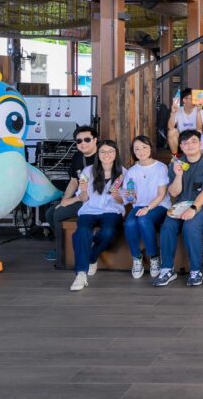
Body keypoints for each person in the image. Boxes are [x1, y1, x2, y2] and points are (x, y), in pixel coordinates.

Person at [152, 129, 203, 288]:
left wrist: (193, 208)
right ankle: (167, 269)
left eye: (193, 141)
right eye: (185, 143)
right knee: (167, 226)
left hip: (202, 204)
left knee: (191, 227)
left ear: (200, 143)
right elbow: (173, 192)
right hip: (180, 204)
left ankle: (196, 270)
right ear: (181, 146)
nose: (190, 145)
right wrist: (178, 175)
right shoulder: (176, 164)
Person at [69, 140, 125, 291]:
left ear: (116, 154)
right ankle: (81, 274)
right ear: (98, 154)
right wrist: (83, 190)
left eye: (110, 151)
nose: (106, 155)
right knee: (82, 232)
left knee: (108, 233)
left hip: (112, 210)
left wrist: (116, 195)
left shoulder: (123, 172)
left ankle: (92, 257)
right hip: (89, 210)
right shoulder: (88, 171)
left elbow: (124, 200)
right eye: (103, 152)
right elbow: (83, 198)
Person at [44, 125, 98, 268]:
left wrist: (71, 200)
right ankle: (62, 244)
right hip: (80, 197)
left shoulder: (102, 157)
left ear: (95, 140)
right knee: (50, 213)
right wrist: (65, 200)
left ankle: (62, 253)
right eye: (79, 141)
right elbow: (74, 181)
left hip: (94, 200)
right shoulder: (78, 156)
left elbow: (97, 190)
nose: (83, 143)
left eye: (87, 139)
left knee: (58, 214)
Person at [121, 135, 171, 280]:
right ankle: (136, 257)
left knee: (143, 220)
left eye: (144, 147)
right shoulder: (132, 171)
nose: (141, 151)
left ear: (151, 148)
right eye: (137, 149)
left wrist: (148, 208)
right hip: (140, 206)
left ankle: (154, 257)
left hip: (159, 205)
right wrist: (128, 196)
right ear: (133, 151)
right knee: (129, 223)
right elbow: (132, 199)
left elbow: (161, 195)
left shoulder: (161, 167)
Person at [167, 89, 203, 155]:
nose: (194, 101)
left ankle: (197, 155)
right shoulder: (178, 110)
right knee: (171, 132)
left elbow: (199, 128)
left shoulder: (200, 111)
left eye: (195, 98)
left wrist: (198, 112)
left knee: (199, 132)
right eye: (192, 98)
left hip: (195, 136)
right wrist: (173, 113)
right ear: (184, 100)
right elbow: (170, 127)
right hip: (182, 137)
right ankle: (176, 156)